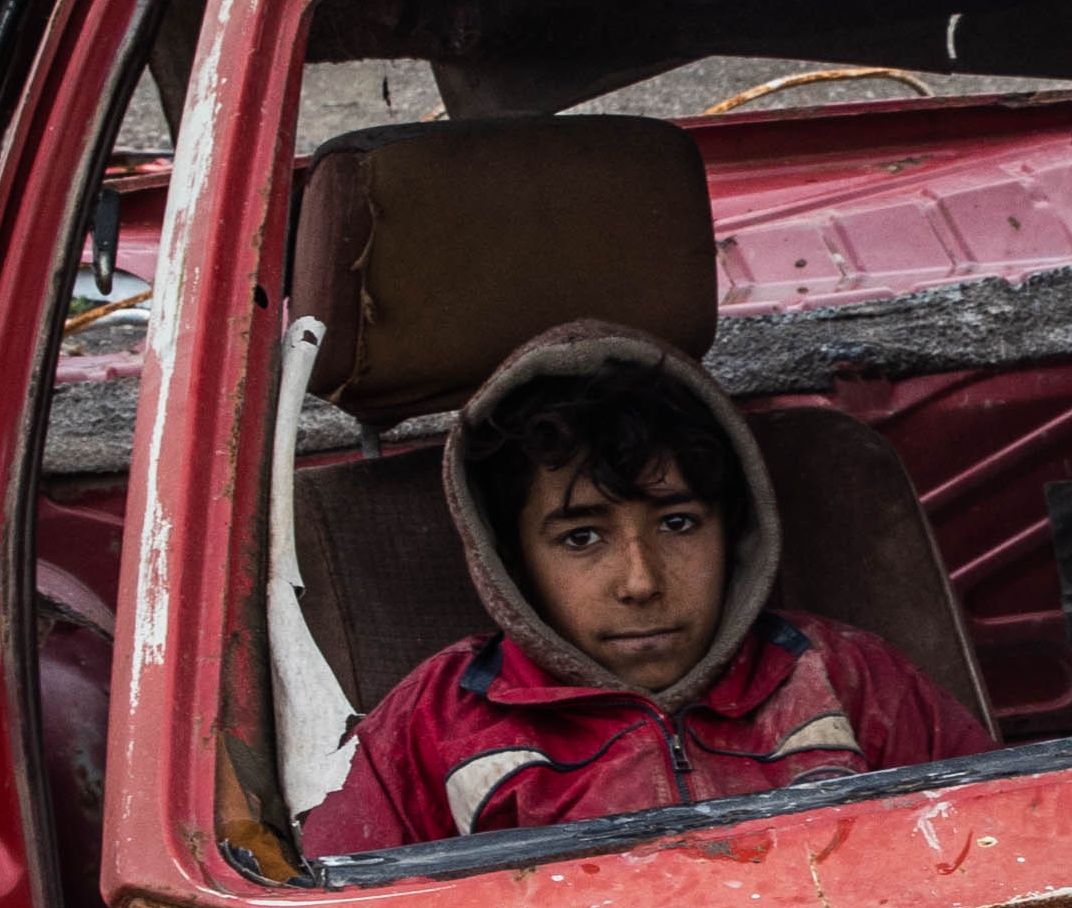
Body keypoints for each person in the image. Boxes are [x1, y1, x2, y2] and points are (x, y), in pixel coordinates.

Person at [302, 320, 983, 854]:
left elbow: (998, 848)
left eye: (680, 523)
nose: (641, 581)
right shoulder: (433, 729)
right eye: (580, 538)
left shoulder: (841, 676)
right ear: (512, 559)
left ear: (734, 530)